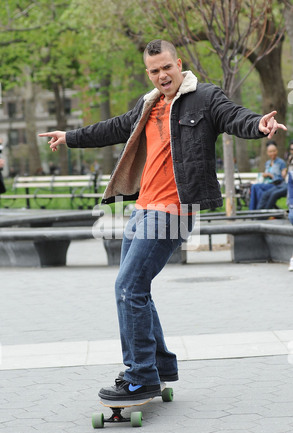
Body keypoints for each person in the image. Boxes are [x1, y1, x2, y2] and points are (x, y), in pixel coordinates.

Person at [39, 39, 287, 401]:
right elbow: (115, 127)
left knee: (128, 288)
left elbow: (235, 116)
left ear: (178, 64)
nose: (161, 76)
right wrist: (70, 137)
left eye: (166, 68)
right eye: (154, 71)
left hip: (173, 209)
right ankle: (160, 364)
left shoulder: (204, 97)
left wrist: (258, 125)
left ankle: (140, 375)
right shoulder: (148, 103)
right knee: (136, 289)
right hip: (142, 209)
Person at [249, 141, 287, 210]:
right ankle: (256, 210)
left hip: (275, 185)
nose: (272, 153)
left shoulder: (281, 162)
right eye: (270, 151)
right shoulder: (267, 163)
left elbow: (282, 179)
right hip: (266, 184)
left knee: (255, 187)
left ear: (277, 151)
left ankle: (254, 210)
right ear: (267, 152)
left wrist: (271, 175)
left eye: (274, 151)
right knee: (255, 188)